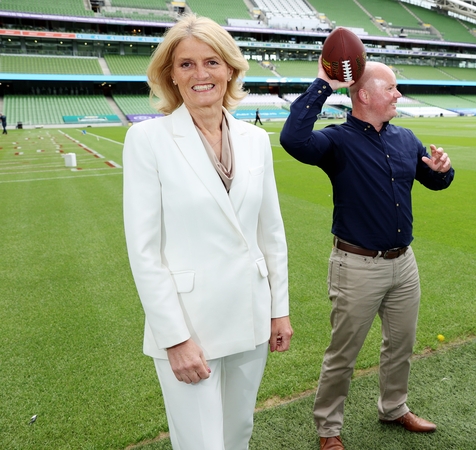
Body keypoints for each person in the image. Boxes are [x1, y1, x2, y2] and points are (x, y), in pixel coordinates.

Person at [122, 14, 293, 450]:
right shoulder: (147, 140)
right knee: (201, 444)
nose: (201, 74)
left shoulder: (255, 140)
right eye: (187, 64)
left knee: (238, 435)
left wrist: (279, 310)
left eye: (212, 62)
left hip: (251, 319)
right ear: (171, 75)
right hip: (190, 327)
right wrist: (174, 338)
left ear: (230, 69)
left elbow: (271, 233)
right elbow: (144, 251)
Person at [280, 60, 454, 450]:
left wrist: (443, 170)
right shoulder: (337, 141)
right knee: (343, 354)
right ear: (364, 95)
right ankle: (328, 429)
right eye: (391, 88)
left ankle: (394, 408)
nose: (398, 95)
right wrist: (324, 83)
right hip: (356, 266)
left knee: (401, 344)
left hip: (404, 263)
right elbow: (293, 139)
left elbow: (434, 180)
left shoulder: (406, 138)